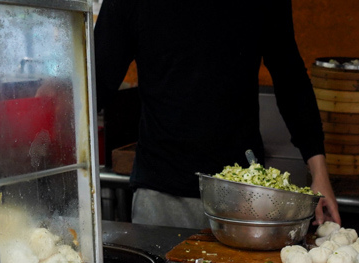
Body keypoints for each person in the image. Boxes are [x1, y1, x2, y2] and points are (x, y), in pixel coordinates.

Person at [93, 0, 341, 230]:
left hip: (243, 194)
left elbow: (290, 78)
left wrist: (320, 174)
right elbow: (94, 82)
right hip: (162, 196)